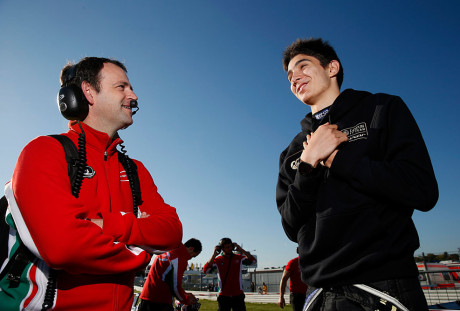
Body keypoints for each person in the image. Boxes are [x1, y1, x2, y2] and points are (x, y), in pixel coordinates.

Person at [4, 57, 183, 310]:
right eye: (121, 87)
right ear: (88, 92)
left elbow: (172, 231)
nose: (133, 94)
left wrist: (102, 225)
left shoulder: (136, 170)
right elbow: (63, 248)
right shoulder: (43, 152)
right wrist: (142, 253)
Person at [276, 38, 438, 311]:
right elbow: (291, 225)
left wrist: (338, 159)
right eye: (290, 76)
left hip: (384, 286)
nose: (295, 78)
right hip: (320, 294)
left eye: (303, 66)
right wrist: (308, 165)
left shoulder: (382, 109)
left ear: (332, 68)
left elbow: (422, 189)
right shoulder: (293, 152)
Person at [138, 238, 202, 311]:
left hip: (147, 296)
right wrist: (186, 300)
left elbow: (166, 278)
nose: (191, 258)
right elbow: (175, 286)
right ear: (191, 249)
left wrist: (184, 293)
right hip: (161, 301)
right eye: (193, 256)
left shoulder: (170, 249)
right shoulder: (179, 258)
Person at [203, 237, 256, 311]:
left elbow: (253, 261)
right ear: (222, 248)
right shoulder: (218, 260)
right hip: (224, 296)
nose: (229, 249)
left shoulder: (239, 258)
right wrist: (214, 254)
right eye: (227, 247)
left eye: (231, 246)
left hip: (238, 295)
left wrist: (240, 249)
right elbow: (206, 270)